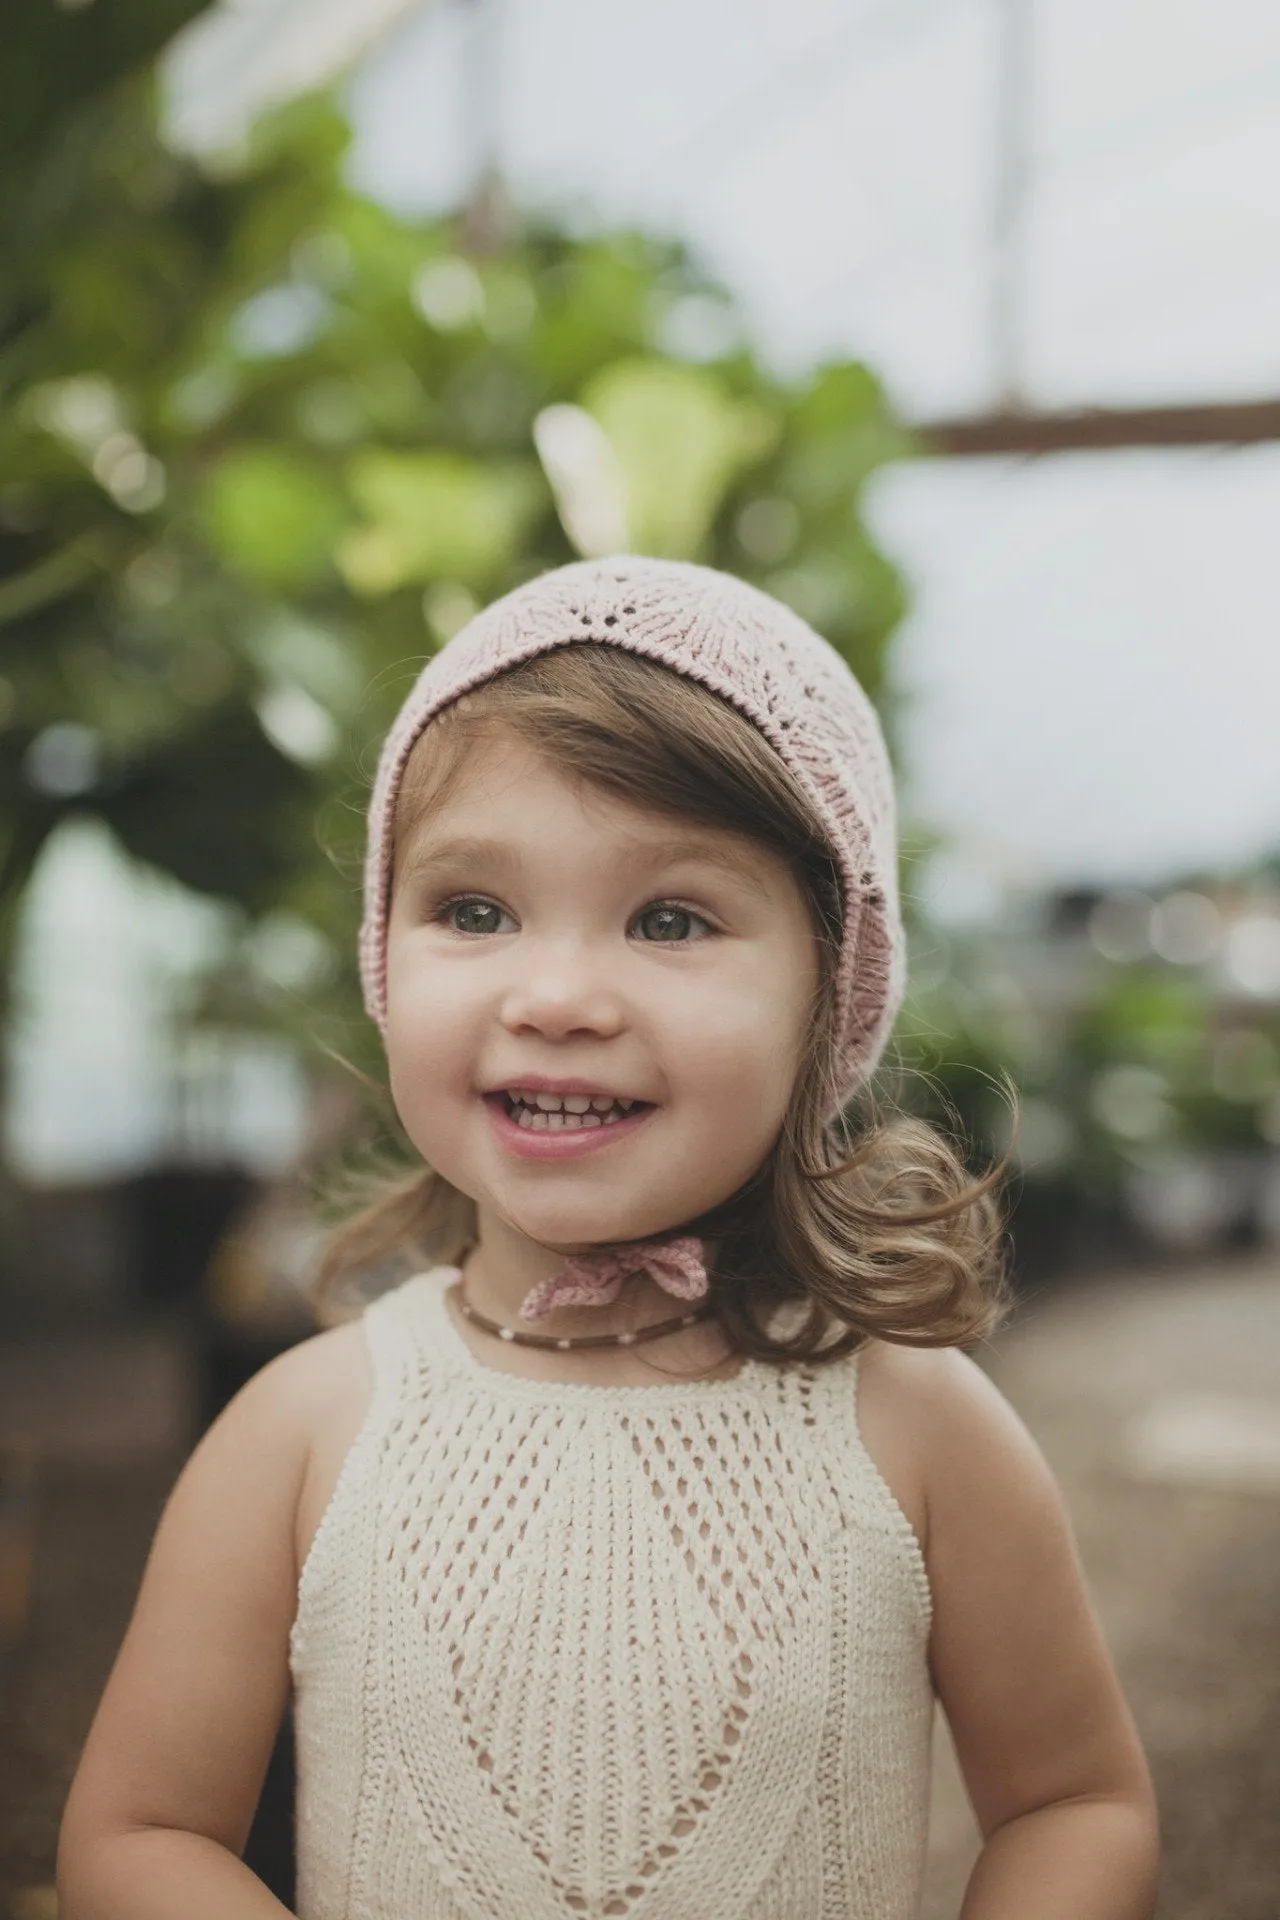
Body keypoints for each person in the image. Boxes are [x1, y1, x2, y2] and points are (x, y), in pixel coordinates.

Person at [57, 556, 1160, 1919]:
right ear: (384, 957)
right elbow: (142, 1835)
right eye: (474, 910)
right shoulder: (304, 1430)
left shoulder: (915, 1429)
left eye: (670, 918)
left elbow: (1076, 1804)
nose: (558, 994)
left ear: (831, 996)